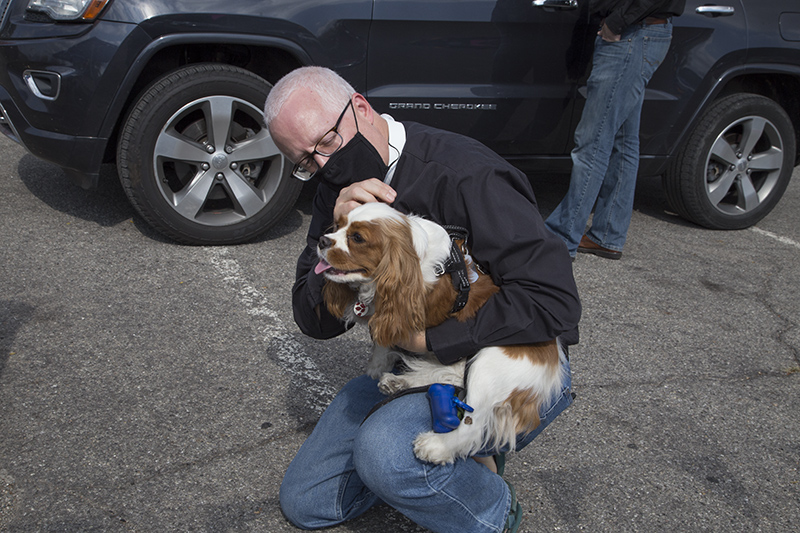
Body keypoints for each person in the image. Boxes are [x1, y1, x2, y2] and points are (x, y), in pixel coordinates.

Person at [264, 66, 581, 532]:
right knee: (307, 501)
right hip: (411, 362)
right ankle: (438, 463)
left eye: (327, 141)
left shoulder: (468, 174)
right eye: (306, 161)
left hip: (509, 362)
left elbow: (555, 304)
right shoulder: (337, 192)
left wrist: (430, 340)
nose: (324, 165)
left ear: (361, 108)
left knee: (384, 454)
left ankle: (491, 509)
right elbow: (313, 319)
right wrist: (344, 253)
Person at [545, 0, 686, 260]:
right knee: (623, 141)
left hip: (631, 34)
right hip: (638, 32)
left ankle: (560, 239)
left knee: (592, 143)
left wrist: (617, 21)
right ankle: (608, 234)